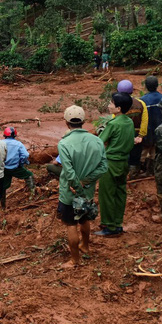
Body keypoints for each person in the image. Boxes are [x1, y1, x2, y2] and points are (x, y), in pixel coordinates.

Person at [57, 105, 108, 268]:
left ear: (66, 123)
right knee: (84, 219)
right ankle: (85, 246)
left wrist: (77, 187)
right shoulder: (97, 140)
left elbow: (69, 172)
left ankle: (74, 260)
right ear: (83, 121)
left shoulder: (64, 143)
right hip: (87, 191)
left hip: (69, 193)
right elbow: (103, 167)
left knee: (71, 224)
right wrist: (85, 183)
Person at [95, 93, 135, 236]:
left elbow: (99, 142)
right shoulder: (129, 122)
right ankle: (118, 223)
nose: (109, 105)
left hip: (110, 163)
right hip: (124, 162)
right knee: (120, 193)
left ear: (118, 108)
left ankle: (109, 227)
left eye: (111, 103)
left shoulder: (113, 124)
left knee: (106, 194)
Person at [117, 79, 148, 178]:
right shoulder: (141, 103)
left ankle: (123, 174)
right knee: (135, 155)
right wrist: (141, 135)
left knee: (123, 154)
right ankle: (134, 173)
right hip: (137, 134)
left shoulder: (117, 105)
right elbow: (145, 120)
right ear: (132, 91)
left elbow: (115, 122)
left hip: (123, 135)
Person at [139, 75, 162, 173]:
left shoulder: (143, 100)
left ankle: (142, 168)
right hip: (160, 128)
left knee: (145, 149)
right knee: (154, 149)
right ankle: (152, 168)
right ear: (157, 85)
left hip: (147, 129)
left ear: (146, 86)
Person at [2, 127, 35, 195]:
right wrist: (21, 162)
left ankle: (3, 204)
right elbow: (25, 155)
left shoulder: (1, 143)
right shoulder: (18, 144)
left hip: (3, 168)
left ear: (5, 135)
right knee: (29, 175)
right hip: (15, 168)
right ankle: (32, 194)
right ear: (15, 135)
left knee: (3, 187)